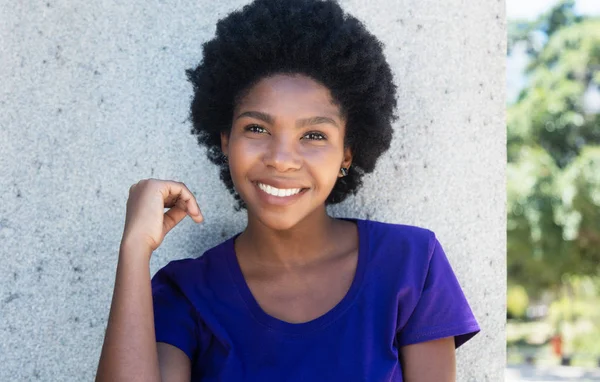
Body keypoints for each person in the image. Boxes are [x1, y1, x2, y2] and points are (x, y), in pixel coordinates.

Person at [96, 0, 480, 380]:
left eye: (314, 135)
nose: (281, 159)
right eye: (257, 129)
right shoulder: (186, 292)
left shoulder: (411, 264)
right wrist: (133, 249)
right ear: (226, 141)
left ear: (347, 154)